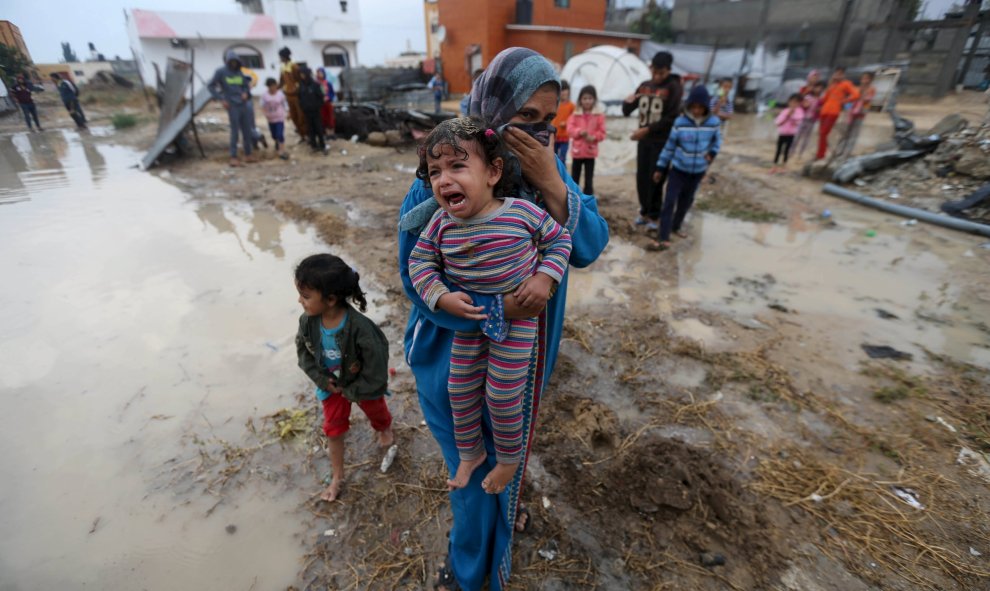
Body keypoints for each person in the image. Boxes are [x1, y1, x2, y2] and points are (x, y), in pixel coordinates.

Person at [397, 47, 609, 591]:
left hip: (523, 354)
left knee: (507, 447)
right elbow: (415, 279)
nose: (536, 135)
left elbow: (585, 246)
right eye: (524, 119)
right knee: (470, 475)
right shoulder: (442, 179)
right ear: (490, 109)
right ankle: (470, 573)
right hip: (452, 355)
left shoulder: (543, 170)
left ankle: (501, 518)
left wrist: (554, 184)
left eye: (547, 122)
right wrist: (495, 309)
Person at [408, 117, 572, 493]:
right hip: (473, 325)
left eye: (457, 166)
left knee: (501, 395)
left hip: (518, 327)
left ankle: (510, 459)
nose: (444, 180)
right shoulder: (440, 225)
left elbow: (560, 241)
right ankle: (471, 453)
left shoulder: (521, 213)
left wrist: (544, 278)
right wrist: (441, 295)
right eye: (435, 172)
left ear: (493, 172)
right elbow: (418, 264)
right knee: (460, 390)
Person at [295, 254, 395, 502]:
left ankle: (385, 428)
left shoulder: (361, 328)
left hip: (360, 385)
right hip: (330, 384)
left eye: (306, 296)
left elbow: (376, 369)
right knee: (333, 429)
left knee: (377, 413)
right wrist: (321, 380)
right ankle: (338, 476)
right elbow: (303, 353)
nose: (300, 301)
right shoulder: (307, 322)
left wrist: (354, 391)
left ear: (330, 299)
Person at [650, 84, 721, 251]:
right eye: (693, 107)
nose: (696, 110)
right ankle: (663, 236)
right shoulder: (680, 123)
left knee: (686, 201)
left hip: (697, 171)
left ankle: (676, 226)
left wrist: (712, 153)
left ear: (705, 107)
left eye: (700, 107)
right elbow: (669, 146)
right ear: (688, 106)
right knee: (669, 201)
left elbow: (717, 142)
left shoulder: (713, 123)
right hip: (678, 170)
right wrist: (660, 167)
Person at [623, 51, 683, 231]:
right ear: (650, 68)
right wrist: (627, 102)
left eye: (661, 73)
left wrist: (647, 130)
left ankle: (655, 215)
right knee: (642, 177)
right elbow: (628, 110)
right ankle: (644, 211)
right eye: (654, 72)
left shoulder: (674, 87)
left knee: (656, 177)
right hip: (644, 141)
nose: (657, 77)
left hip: (662, 142)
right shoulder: (644, 86)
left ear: (668, 70)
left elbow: (671, 118)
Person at [209, 51, 255, 167]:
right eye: (232, 62)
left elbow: (246, 86)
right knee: (235, 131)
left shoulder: (239, 72)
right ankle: (233, 156)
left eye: (236, 62)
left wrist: (245, 93)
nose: (234, 64)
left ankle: (248, 154)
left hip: (243, 104)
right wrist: (221, 99)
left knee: (247, 130)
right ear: (228, 62)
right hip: (232, 105)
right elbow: (211, 86)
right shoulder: (220, 72)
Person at [567, 84, 606, 195]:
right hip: (577, 152)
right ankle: (574, 197)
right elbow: (570, 129)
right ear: (580, 100)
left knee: (589, 179)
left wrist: (593, 137)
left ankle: (588, 198)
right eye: (584, 98)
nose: (587, 101)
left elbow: (602, 133)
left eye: (590, 98)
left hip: (590, 152)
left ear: (594, 99)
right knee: (575, 178)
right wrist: (579, 132)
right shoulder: (575, 114)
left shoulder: (599, 115)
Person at [816, 67, 859, 160]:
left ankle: (820, 154)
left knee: (823, 133)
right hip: (824, 111)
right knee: (821, 133)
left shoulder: (846, 84)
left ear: (843, 75)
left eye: (840, 74)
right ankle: (820, 153)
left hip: (833, 112)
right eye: (836, 73)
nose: (838, 75)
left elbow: (856, 94)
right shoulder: (832, 84)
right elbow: (825, 99)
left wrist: (844, 101)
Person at [836, 71, 876, 158]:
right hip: (850, 114)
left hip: (860, 114)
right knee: (845, 133)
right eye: (863, 78)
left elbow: (867, 100)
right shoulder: (855, 88)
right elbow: (849, 100)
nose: (865, 80)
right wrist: (847, 108)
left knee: (854, 134)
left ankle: (846, 153)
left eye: (867, 78)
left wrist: (861, 94)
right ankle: (839, 151)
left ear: (871, 80)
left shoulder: (871, 90)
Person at [298, 67, 329, 155]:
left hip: (316, 111)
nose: (302, 76)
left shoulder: (316, 85)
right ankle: (314, 146)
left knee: (319, 128)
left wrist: (317, 106)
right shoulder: (301, 85)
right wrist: (303, 107)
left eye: (303, 74)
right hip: (307, 112)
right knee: (310, 129)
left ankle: (322, 145)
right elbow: (300, 98)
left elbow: (321, 96)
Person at [279, 47, 307, 141]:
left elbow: (300, 80)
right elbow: (281, 81)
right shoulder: (283, 68)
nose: (280, 58)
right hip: (288, 95)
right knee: (293, 116)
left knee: (301, 116)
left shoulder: (294, 66)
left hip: (296, 95)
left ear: (285, 56)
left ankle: (306, 134)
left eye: (281, 57)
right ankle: (301, 136)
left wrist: (297, 89)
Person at [771, 94, 804, 173]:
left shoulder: (800, 112)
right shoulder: (785, 111)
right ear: (789, 102)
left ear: (799, 103)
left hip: (791, 134)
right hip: (782, 133)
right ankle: (774, 166)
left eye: (796, 102)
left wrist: (791, 116)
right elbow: (778, 120)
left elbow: (798, 121)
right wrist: (787, 115)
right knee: (778, 150)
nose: (793, 104)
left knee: (786, 150)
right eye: (792, 102)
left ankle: (784, 165)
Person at [793, 81, 825, 159]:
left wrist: (819, 110)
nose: (818, 89)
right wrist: (805, 105)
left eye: (820, 88)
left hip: (812, 120)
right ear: (814, 88)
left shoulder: (821, 100)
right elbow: (802, 106)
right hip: (804, 118)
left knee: (806, 137)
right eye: (817, 87)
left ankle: (800, 153)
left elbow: (820, 109)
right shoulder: (808, 97)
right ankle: (792, 151)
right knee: (797, 135)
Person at [261, 77, 290, 160]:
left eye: (274, 86)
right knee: (274, 135)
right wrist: (265, 113)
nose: (273, 88)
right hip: (270, 118)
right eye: (271, 86)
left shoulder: (280, 94)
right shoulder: (264, 95)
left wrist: (288, 112)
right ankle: (276, 142)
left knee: (280, 134)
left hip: (279, 117)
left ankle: (282, 151)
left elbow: (285, 104)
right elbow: (262, 105)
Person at [551, 80, 575, 163]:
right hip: (554, 135)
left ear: (568, 91)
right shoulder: (554, 104)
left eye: (565, 90)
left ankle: (562, 175)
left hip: (565, 136)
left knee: (562, 158)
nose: (563, 92)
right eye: (561, 90)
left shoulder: (571, 106)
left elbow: (574, 119)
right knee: (554, 157)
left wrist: (566, 123)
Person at [316, 67, 336, 140]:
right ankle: (327, 134)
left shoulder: (328, 83)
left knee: (330, 117)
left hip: (328, 102)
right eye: (318, 73)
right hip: (321, 104)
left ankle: (332, 133)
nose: (319, 74)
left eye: (321, 73)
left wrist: (328, 97)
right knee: (324, 118)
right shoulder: (316, 84)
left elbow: (332, 93)